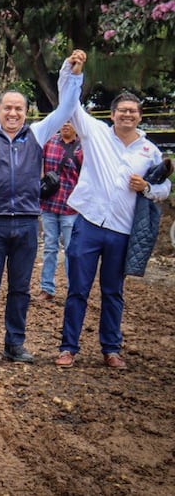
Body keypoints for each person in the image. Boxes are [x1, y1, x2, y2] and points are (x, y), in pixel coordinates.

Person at [0, 54, 82, 364]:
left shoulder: (36, 134)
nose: (13, 113)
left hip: (25, 222)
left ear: (25, 112)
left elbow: (65, 109)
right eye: (7, 107)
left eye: (18, 108)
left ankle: (14, 344)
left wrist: (72, 75)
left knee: (20, 288)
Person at [56, 51, 169, 369]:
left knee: (113, 292)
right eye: (122, 111)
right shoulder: (94, 133)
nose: (127, 115)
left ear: (139, 115)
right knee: (78, 288)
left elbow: (163, 187)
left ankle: (111, 349)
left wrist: (146, 188)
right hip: (89, 223)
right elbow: (69, 102)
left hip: (122, 229)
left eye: (132, 111)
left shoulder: (149, 151)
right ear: (113, 114)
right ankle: (68, 348)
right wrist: (71, 71)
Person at [38, 122, 82, 302]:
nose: (65, 125)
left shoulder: (82, 148)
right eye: (63, 121)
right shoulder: (50, 143)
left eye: (70, 122)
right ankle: (46, 287)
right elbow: (40, 165)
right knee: (49, 247)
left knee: (72, 249)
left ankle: (74, 289)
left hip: (71, 206)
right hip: (49, 204)